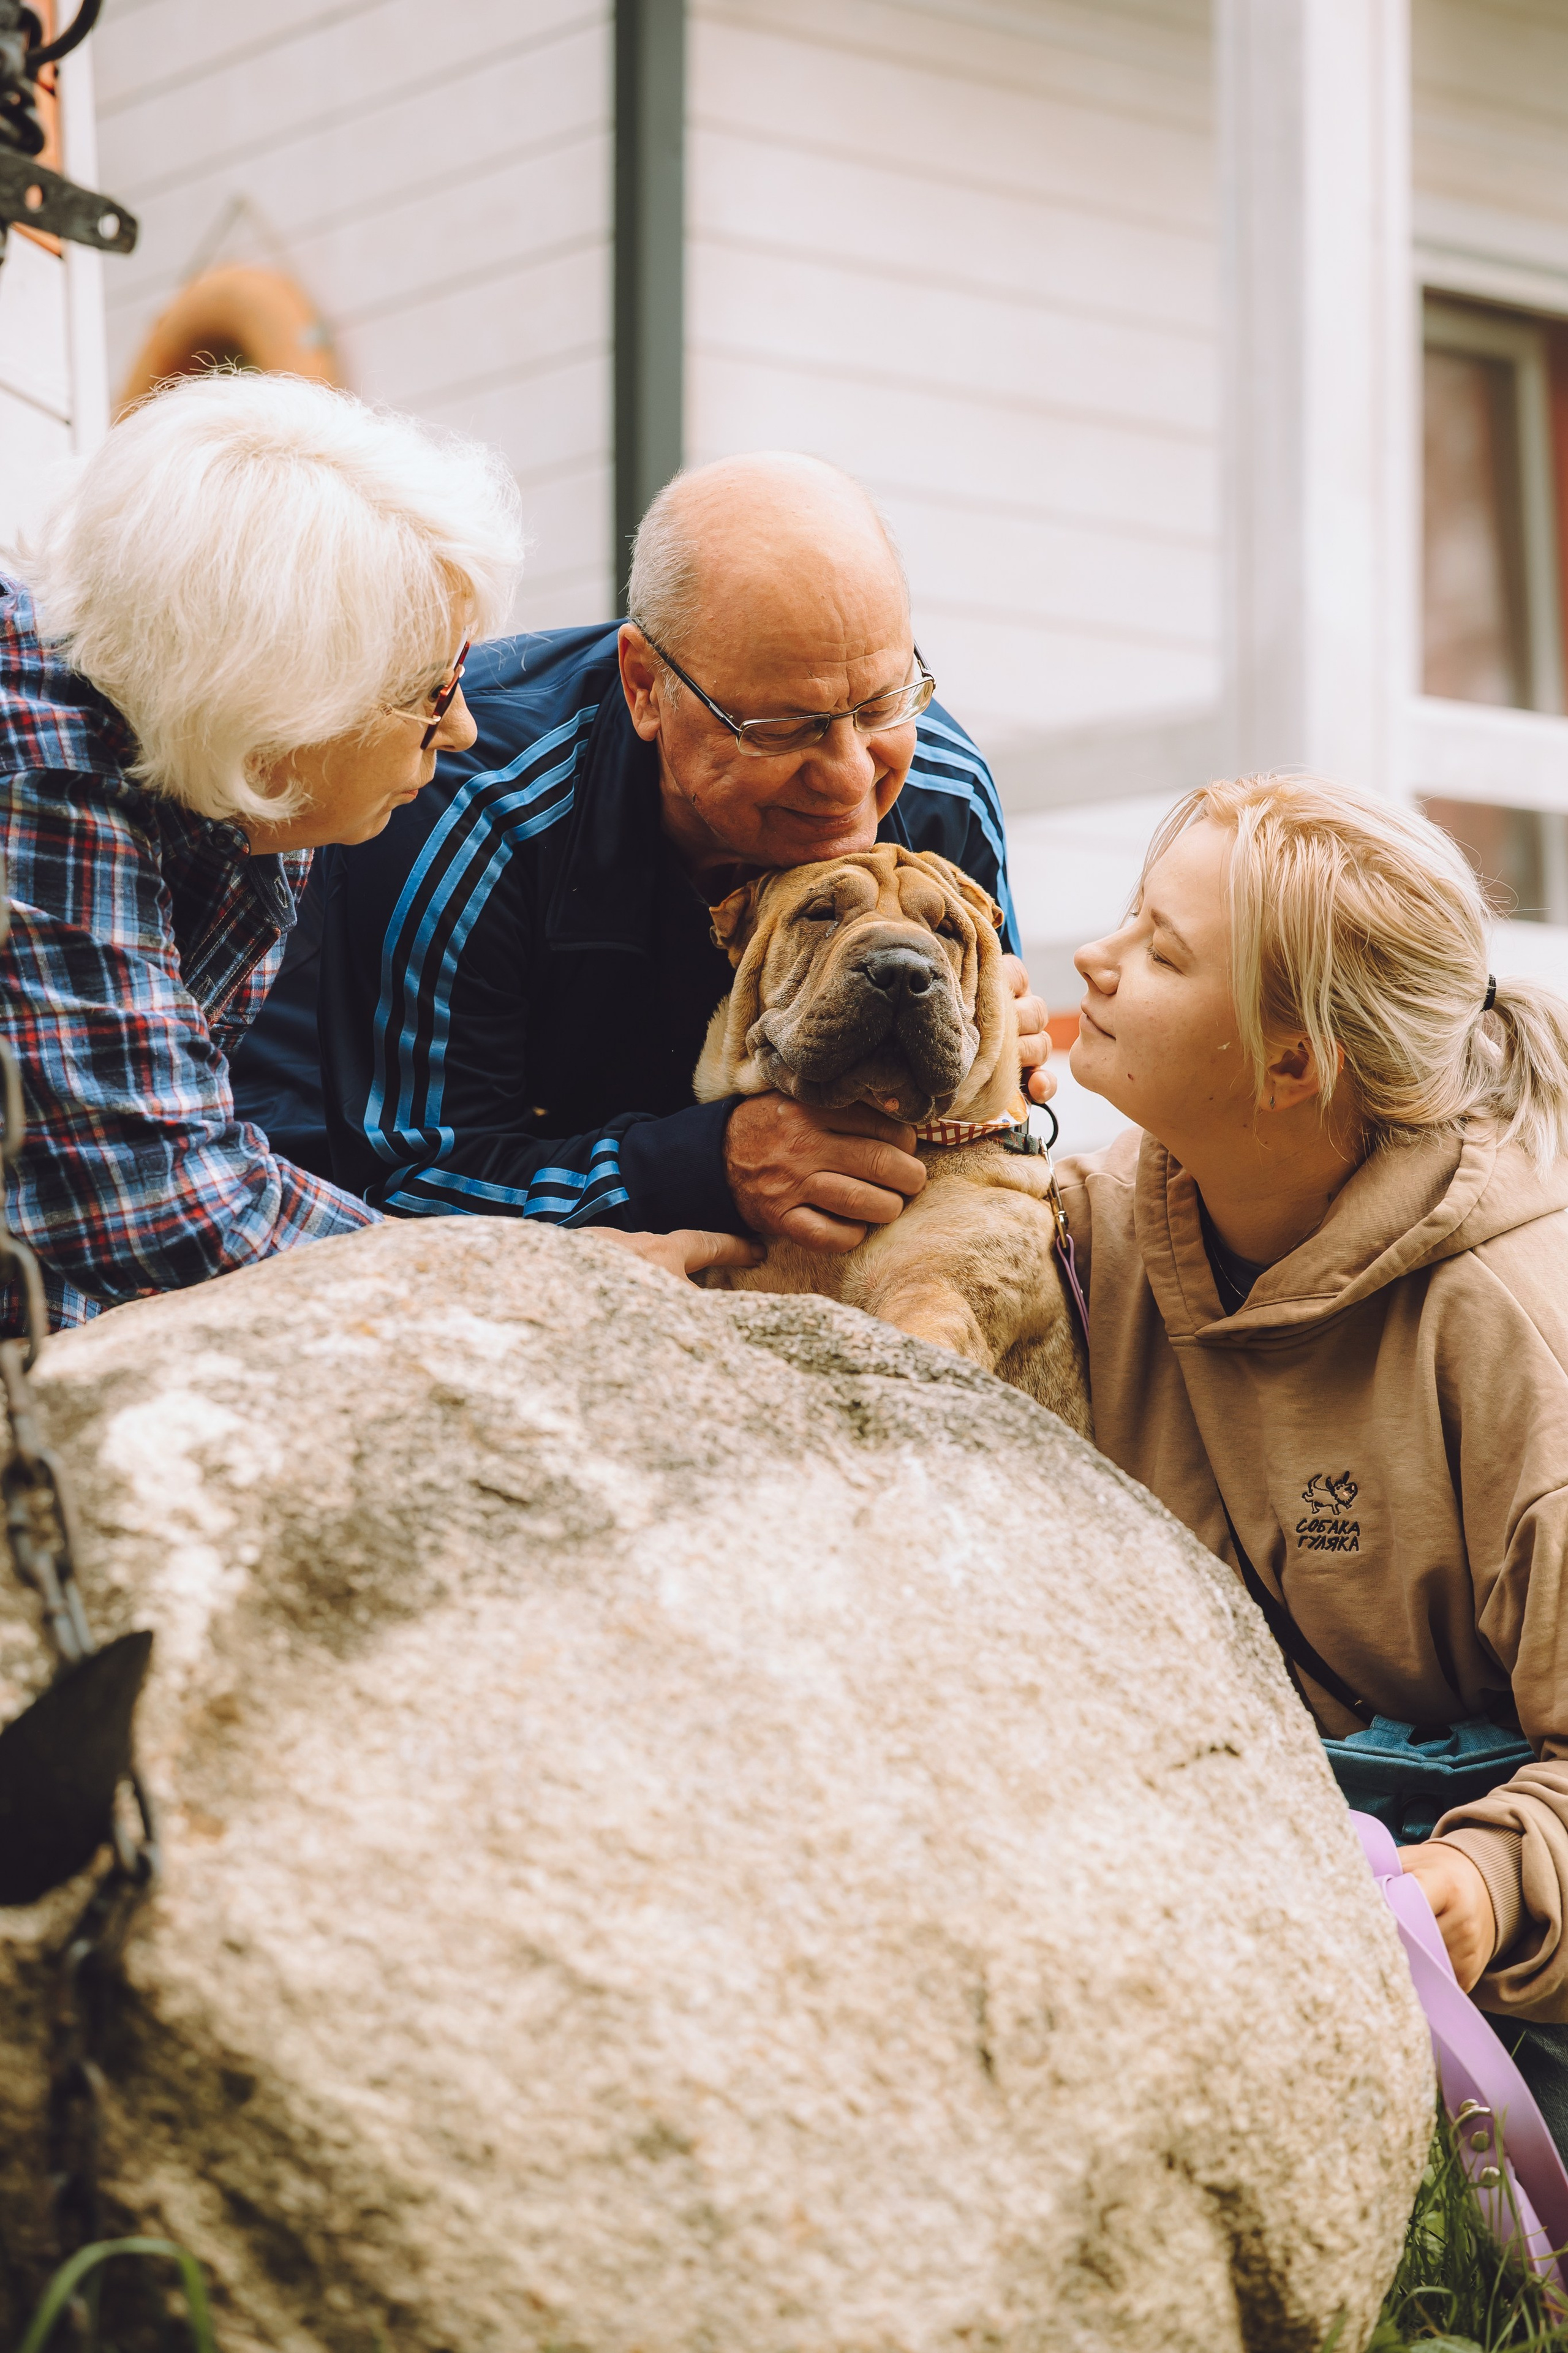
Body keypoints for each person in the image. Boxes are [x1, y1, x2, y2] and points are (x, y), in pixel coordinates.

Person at [0, 372, 754, 1332]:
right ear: (281, 703)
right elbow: (176, 1210)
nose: (467, 731)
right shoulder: (41, 787)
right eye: (433, 691)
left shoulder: (241, 776)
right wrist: (547, 1285)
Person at [1060, 771, 1568, 2118]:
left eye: (1160, 952)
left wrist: (1479, 1889)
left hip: (1499, 1992)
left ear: (1293, 1066)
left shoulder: (1516, 1327)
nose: (1090, 961)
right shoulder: (1103, 1218)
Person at [250, 453, 1050, 1253]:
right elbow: (407, 1185)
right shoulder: (465, 797)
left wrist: (990, 1061)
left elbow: (1001, 1133)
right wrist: (709, 1166)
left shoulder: (941, 796)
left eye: (881, 702)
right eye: (782, 728)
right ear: (644, 686)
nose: (851, 777)